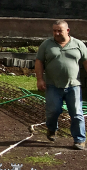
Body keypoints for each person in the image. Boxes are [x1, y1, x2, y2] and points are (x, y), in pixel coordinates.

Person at [35, 20, 87, 150]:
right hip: (53, 85)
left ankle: (79, 140)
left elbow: (86, 61)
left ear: (68, 31)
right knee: (53, 111)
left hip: (73, 85)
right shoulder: (47, 44)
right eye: (54, 30)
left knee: (76, 113)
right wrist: (40, 79)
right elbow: (39, 61)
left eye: (59, 30)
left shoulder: (78, 44)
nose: (56, 33)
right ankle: (52, 129)